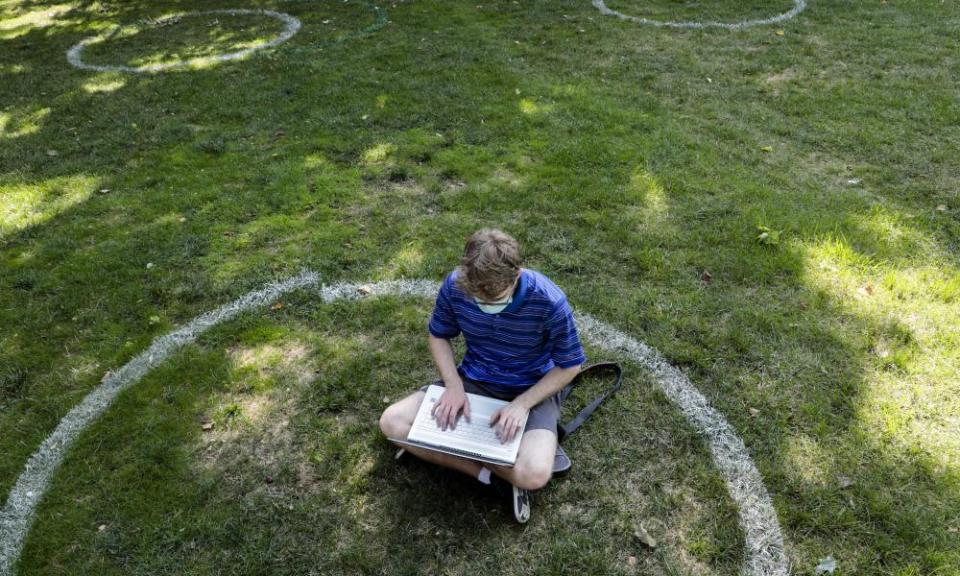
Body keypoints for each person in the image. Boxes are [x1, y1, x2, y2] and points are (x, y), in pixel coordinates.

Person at [379, 228, 586, 523]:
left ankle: (434, 443)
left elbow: (570, 365)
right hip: (473, 380)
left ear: (517, 276)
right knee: (391, 422)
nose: (486, 307)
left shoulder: (549, 301)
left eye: (495, 300)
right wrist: (453, 385)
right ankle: (493, 477)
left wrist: (522, 404)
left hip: (531, 389)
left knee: (535, 473)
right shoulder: (455, 285)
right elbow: (438, 335)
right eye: (478, 299)